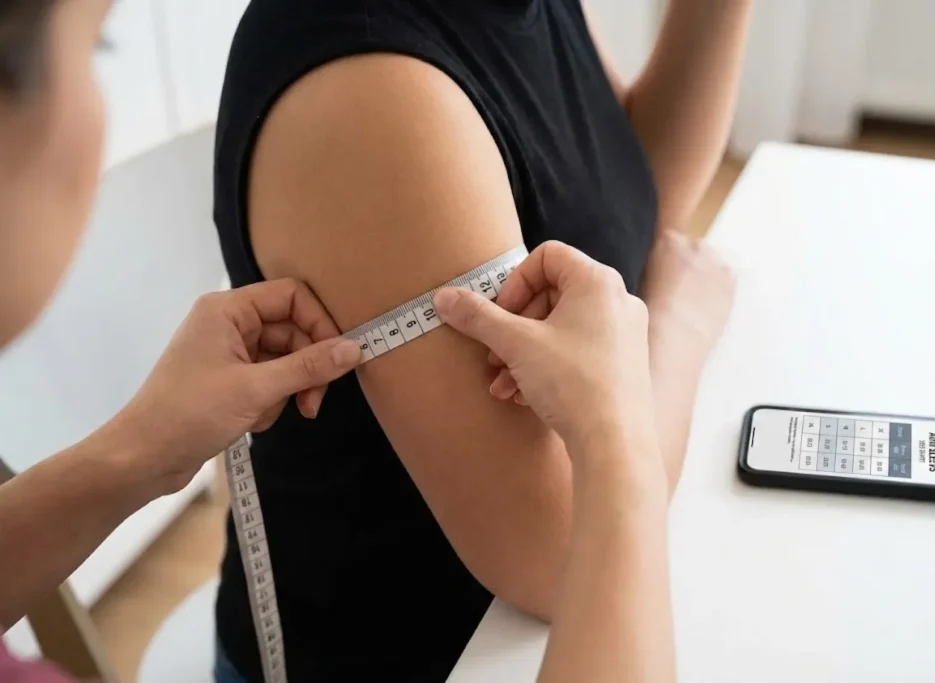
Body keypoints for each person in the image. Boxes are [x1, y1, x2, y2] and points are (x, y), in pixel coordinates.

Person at [212, 0, 747, 679]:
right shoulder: (372, 92)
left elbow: (626, 205)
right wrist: (678, 329)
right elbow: (560, 548)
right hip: (406, 653)